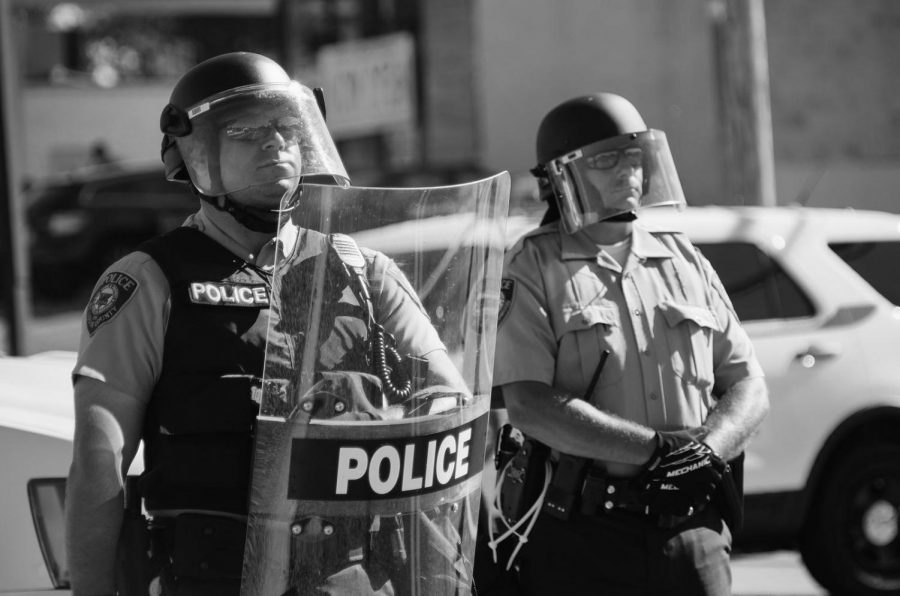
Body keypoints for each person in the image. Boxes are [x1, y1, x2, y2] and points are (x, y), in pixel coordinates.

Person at [64, 51, 468, 596]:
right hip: (213, 578)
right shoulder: (148, 280)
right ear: (198, 153)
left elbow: (451, 413)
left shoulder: (364, 272)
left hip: (351, 577)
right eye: (247, 131)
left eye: (286, 128)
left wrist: (377, 412)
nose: (277, 144)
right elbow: (98, 464)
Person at [487, 92, 770, 595]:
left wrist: (706, 452)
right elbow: (530, 405)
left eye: (635, 158)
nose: (629, 174)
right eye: (607, 160)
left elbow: (748, 383)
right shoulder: (531, 266)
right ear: (559, 177)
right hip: (584, 535)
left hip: (691, 531)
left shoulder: (684, 261)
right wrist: (659, 452)